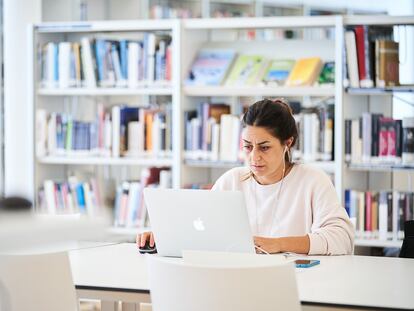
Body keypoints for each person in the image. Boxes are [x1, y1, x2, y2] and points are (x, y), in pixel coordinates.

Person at [137, 98, 354, 255]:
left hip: (298, 286)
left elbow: (341, 240)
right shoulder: (232, 180)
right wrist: (163, 236)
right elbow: (199, 228)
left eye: (264, 147)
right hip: (238, 281)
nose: (254, 157)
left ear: (287, 143)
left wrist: (277, 244)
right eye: (248, 147)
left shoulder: (312, 180)